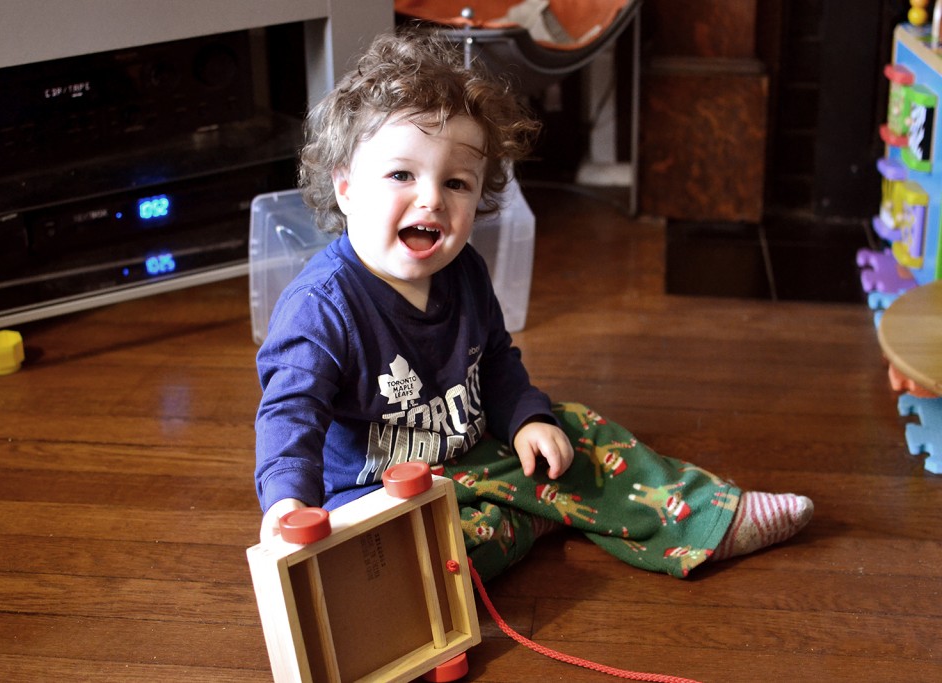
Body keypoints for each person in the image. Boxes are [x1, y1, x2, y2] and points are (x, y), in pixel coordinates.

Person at [254, 29, 813, 581]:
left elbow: (495, 359)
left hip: (479, 451)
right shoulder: (320, 308)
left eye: (456, 183)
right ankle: (532, 511)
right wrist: (287, 505)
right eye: (402, 174)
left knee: (578, 432)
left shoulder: (464, 270)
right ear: (346, 187)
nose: (431, 199)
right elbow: (290, 415)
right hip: (381, 490)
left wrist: (526, 419)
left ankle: (709, 518)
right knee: (424, 556)